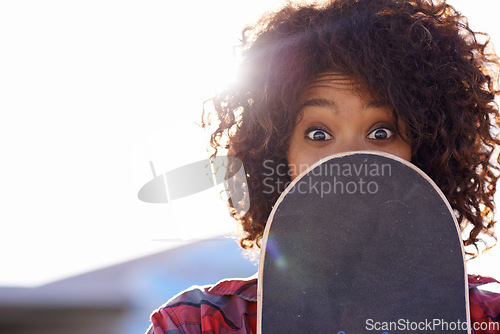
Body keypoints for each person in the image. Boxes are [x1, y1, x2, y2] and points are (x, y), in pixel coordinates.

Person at [146, 0, 500, 333]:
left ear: (422, 155)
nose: (348, 161)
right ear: (278, 156)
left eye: (381, 132)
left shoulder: (489, 319)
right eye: (318, 133)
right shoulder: (199, 325)